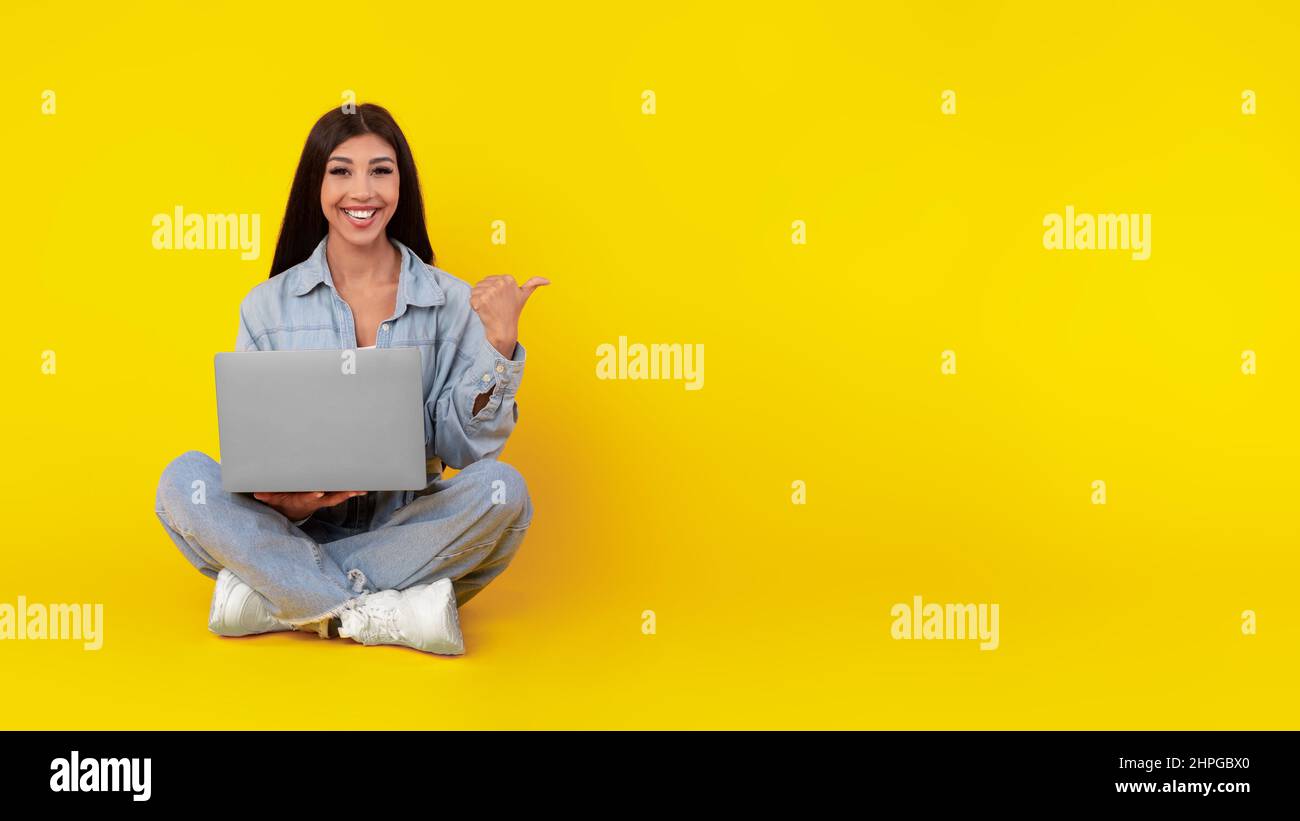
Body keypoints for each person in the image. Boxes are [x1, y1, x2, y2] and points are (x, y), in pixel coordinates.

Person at [154, 103, 547, 655]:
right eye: (341, 171)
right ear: (316, 184)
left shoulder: (454, 301)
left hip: (407, 531)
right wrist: (295, 505)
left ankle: (281, 597)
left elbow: (466, 450)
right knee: (182, 481)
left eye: (380, 170)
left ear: (401, 184)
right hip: (295, 530)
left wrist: (500, 347)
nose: (361, 191)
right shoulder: (266, 307)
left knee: (505, 492)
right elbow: (255, 461)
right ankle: (381, 614)